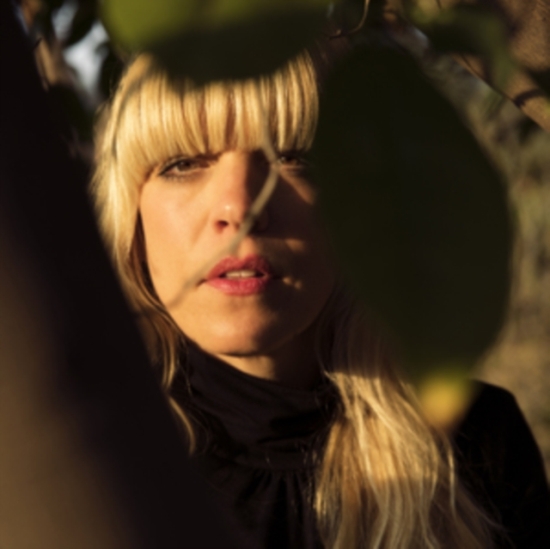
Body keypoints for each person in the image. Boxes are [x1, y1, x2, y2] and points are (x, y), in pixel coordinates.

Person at [91, 41, 550, 548]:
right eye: (183, 164)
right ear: (132, 219)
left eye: (294, 157)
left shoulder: (477, 447)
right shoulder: (85, 461)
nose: (239, 207)